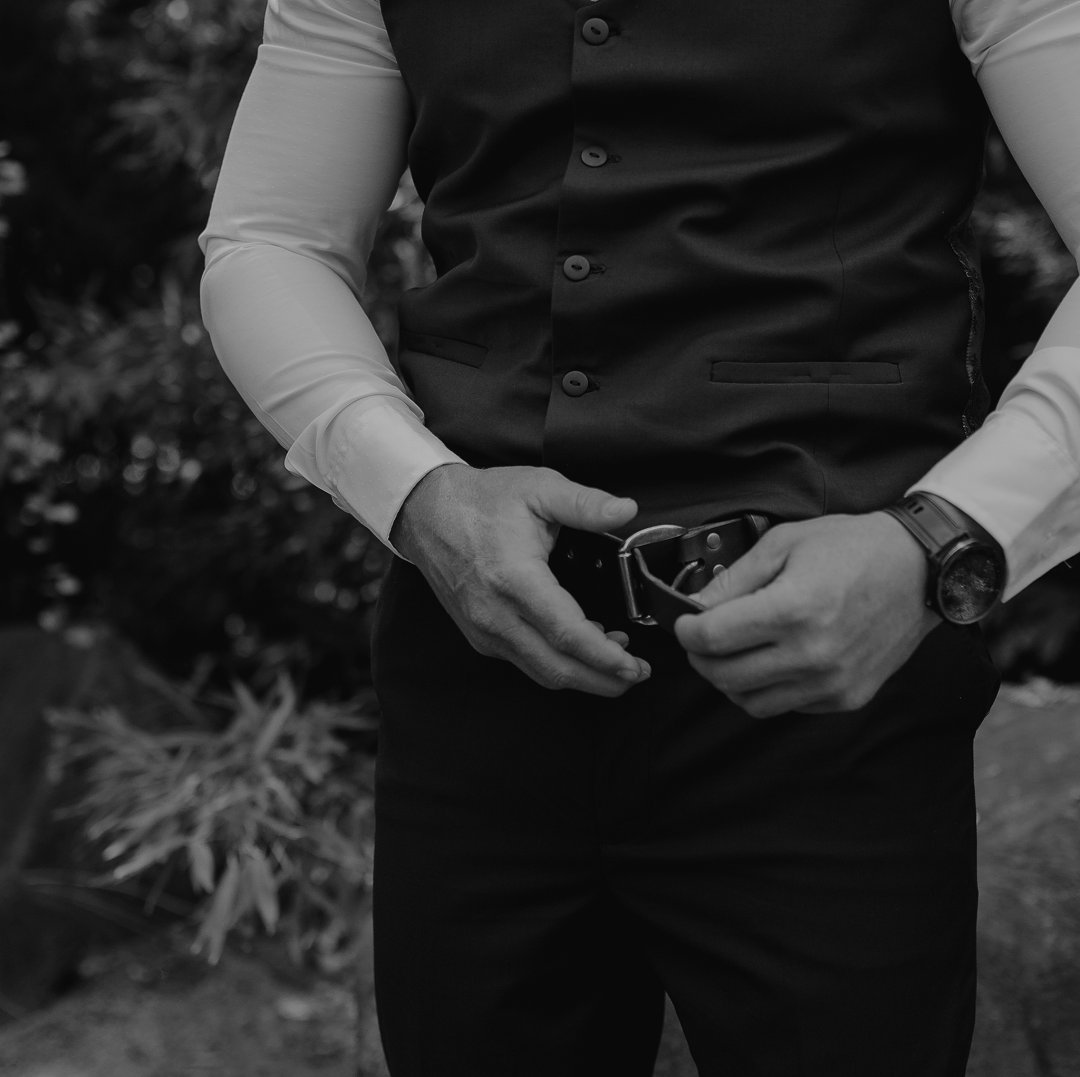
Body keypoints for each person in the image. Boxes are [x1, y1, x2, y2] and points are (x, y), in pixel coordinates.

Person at [199, 1, 1080, 1073]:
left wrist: (938, 542)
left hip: (825, 697)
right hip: (477, 682)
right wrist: (419, 494)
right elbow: (271, 241)